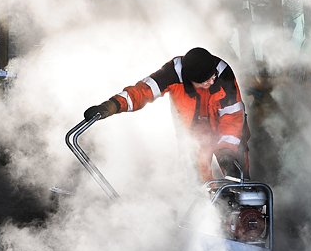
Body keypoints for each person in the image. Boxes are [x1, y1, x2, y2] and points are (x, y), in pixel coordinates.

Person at [84, 47, 249, 182]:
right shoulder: (171, 74)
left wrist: (227, 152)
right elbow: (141, 92)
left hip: (227, 130)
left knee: (238, 174)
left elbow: (233, 118)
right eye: (205, 82)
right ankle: (209, 214)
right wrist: (111, 106)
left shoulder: (223, 74)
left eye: (212, 78)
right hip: (192, 134)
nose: (212, 82)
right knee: (197, 180)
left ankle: (247, 214)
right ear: (190, 80)